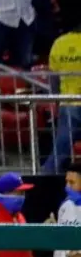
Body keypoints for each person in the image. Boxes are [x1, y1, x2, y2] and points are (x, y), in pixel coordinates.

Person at [44, 22, 81, 173]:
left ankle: (46, 176)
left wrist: (56, 98)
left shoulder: (60, 43)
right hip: (71, 103)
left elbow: (53, 77)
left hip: (68, 103)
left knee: (61, 149)